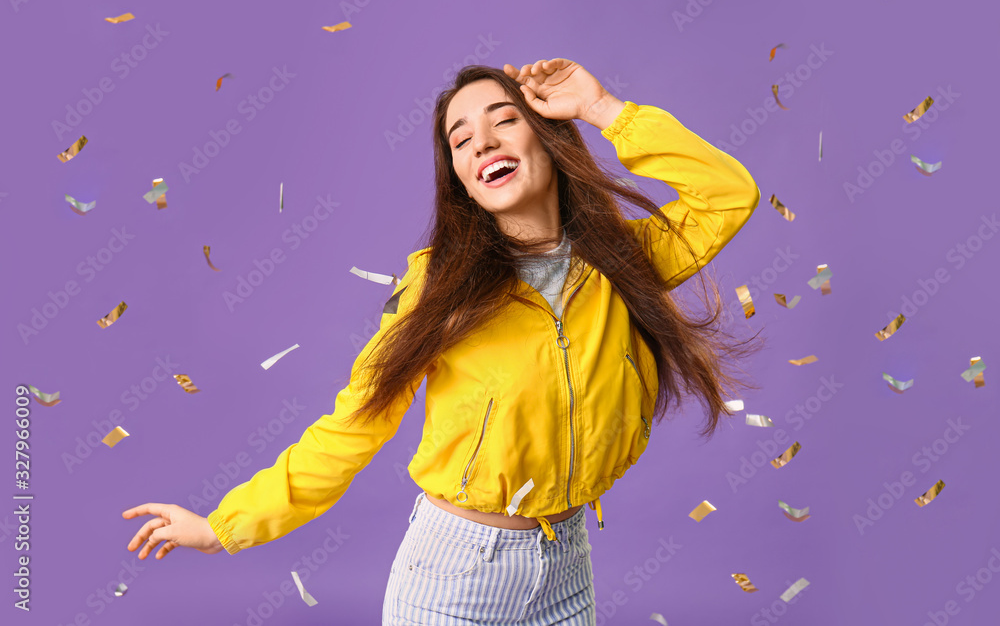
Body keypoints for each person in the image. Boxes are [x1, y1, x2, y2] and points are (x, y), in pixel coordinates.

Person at [123, 58, 763, 625]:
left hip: (566, 563)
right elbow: (354, 427)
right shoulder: (437, 286)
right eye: (461, 140)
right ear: (459, 175)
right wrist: (220, 527)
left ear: (548, 136)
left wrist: (601, 108)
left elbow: (729, 194)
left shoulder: (625, 260)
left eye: (503, 120)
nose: (481, 141)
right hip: (454, 576)